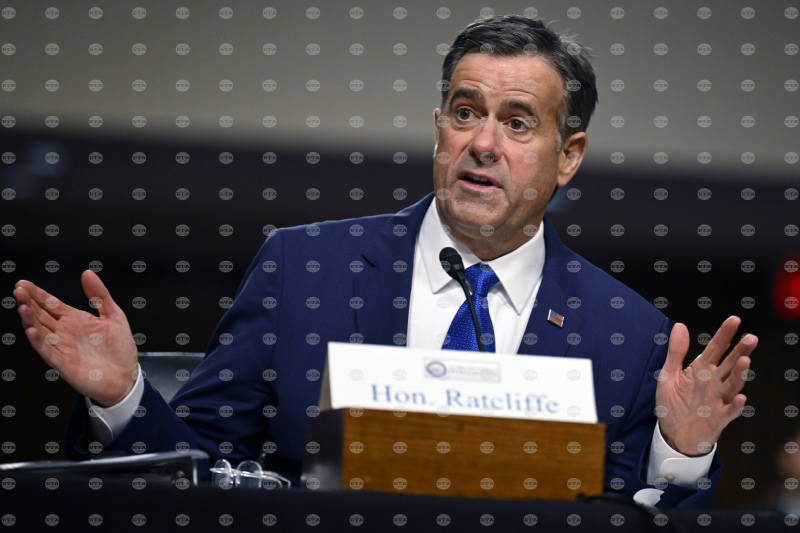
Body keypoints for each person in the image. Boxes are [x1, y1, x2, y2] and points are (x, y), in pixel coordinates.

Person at [14, 15, 755, 507]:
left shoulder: (627, 334)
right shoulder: (305, 269)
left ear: (569, 156)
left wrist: (681, 453)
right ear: (438, 128)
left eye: (517, 123)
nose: (483, 143)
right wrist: (125, 398)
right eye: (465, 112)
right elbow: (197, 475)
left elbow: (633, 515)